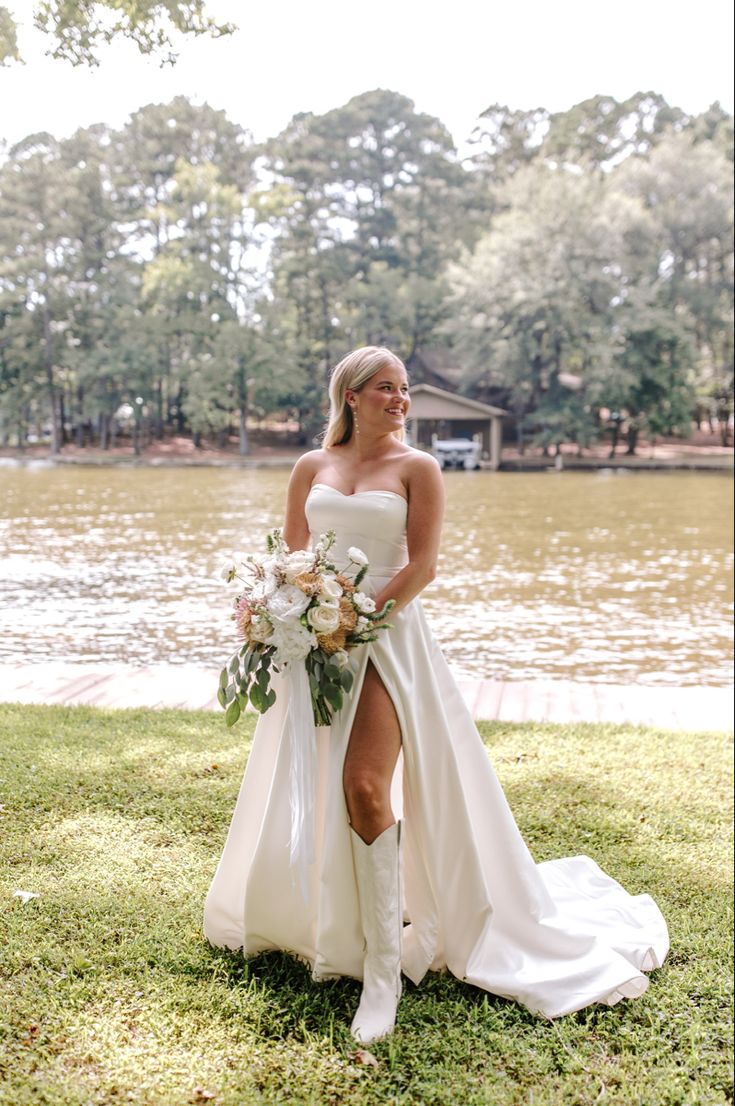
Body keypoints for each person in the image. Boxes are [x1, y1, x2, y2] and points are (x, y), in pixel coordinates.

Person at [203, 345, 669, 1045]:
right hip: (315, 648)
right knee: (317, 782)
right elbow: (289, 560)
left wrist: (356, 618)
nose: (399, 400)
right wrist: (274, 614)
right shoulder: (310, 466)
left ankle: (383, 976)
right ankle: (332, 921)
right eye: (384, 388)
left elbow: (422, 566)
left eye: (403, 389)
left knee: (364, 784)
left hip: (388, 640)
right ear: (351, 396)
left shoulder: (419, 468)